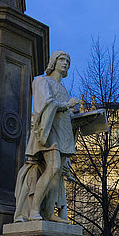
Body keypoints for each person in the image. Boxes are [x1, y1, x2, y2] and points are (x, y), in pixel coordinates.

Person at [14, 51, 80, 222]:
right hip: (47, 131)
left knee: (56, 174)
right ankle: (35, 209)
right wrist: (67, 105)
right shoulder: (41, 81)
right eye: (62, 59)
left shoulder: (63, 89)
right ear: (53, 62)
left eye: (68, 60)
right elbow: (44, 105)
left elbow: (63, 114)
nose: (65, 63)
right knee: (54, 167)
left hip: (62, 133)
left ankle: (49, 212)